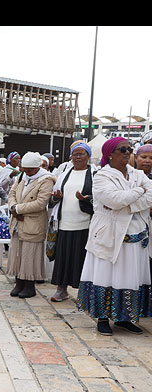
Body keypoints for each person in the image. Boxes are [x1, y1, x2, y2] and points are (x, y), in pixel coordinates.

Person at [77, 137, 152, 336]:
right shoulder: (102, 176)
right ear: (110, 154)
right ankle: (102, 318)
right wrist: (138, 192)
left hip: (135, 236)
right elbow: (114, 199)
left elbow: (149, 194)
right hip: (108, 235)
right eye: (122, 149)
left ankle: (123, 318)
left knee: (130, 276)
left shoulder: (137, 174)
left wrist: (128, 203)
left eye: (129, 149)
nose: (127, 152)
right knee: (105, 275)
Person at [48, 143, 95, 302]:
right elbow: (52, 199)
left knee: (82, 258)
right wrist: (57, 196)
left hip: (85, 224)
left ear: (88, 156)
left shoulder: (95, 174)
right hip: (64, 223)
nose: (78, 157)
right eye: (75, 154)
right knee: (63, 257)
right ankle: (61, 290)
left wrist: (87, 199)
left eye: (82, 154)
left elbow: (101, 198)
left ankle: (84, 292)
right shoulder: (64, 174)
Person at [7, 152, 57, 298]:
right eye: (25, 169)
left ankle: (29, 286)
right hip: (17, 221)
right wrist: (13, 206)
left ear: (37, 167)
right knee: (17, 254)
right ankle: (19, 283)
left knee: (30, 255)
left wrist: (18, 209)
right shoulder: (22, 177)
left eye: (30, 170)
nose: (27, 172)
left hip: (32, 223)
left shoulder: (46, 179)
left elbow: (41, 203)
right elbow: (12, 193)